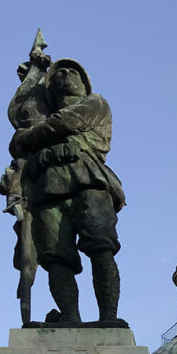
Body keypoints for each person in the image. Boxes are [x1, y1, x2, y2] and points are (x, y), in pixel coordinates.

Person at [9, 58, 126, 324]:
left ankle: (108, 316)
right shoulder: (41, 118)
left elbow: (63, 124)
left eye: (73, 72)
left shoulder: (95, 103)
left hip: (88, 180)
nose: (64, 74)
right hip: (47, 189)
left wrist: (29, 136)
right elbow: (16, 146)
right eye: (59, 72)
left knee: (100, 248)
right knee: (55, 257)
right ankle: (71, 316)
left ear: (84, 85)